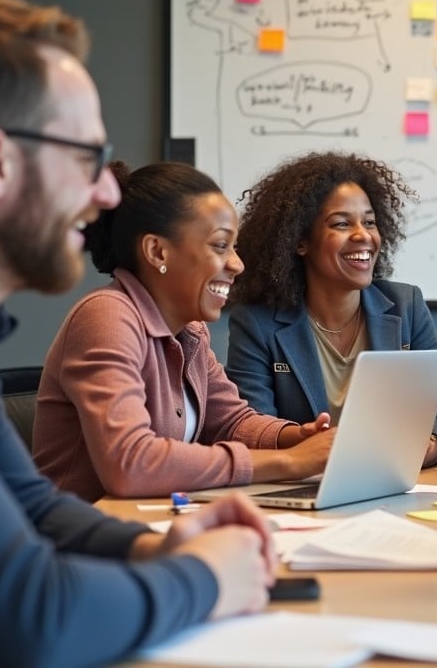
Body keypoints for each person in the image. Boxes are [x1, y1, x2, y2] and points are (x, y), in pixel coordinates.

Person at [0, 0, 275, 667]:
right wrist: (207, 578)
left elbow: (30, 501)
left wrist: (157, 545)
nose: (107, 194)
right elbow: (34, 620)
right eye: (86, 157)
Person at [34, 161, 334, 502]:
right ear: (157, 251)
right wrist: (288, 461)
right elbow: (129, 463)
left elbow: (230, 423)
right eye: (220, 246)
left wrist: (296, 438)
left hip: (146, 525)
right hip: (79, 539)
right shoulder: (107, 316)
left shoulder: (190, 331)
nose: (238, 264)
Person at [226, 152, 437, 467]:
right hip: (304, 486)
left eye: (370, 222)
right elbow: (252, 429)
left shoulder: (407, 307)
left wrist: (426, 446)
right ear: (300, 241)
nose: (363, 235)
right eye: (342, 224)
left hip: (390, 484)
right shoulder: (257, 322)